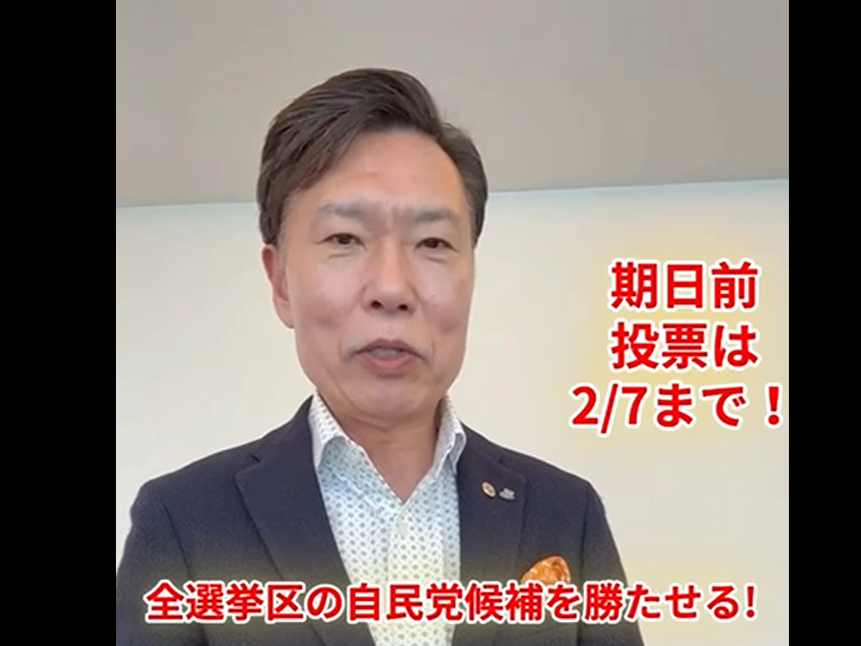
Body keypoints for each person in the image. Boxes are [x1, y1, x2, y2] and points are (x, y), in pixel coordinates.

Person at [116, 67, 645, 646]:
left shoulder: (565, 513)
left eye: (433, 242)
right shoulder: (185, 520)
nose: (391, 288)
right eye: (344, 239)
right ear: (281, 282)